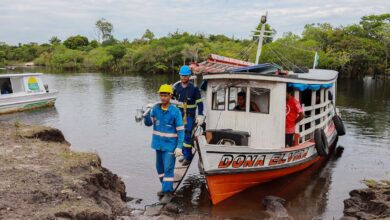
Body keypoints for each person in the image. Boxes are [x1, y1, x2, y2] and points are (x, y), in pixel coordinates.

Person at [144, 84, 184, 204]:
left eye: (165, 95)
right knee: (159, 168)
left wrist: (179, 146)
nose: (162, 98)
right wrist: (146, 114)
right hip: (158, 144)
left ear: (170, 96)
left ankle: (168, 192)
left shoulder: (175, 111)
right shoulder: (155, 109)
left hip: (170, 146)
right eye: (161, 95)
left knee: (168, 168)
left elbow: (181, 130)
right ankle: (165, 187)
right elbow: (148, 124)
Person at [173, 65, 204, 166]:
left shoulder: (194, 89)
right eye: (182, 75)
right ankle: (183, 154)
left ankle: (188, 157)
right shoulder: (177, 87)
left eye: (185, 76)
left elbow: (200, 103)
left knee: (187, 135)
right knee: (179, 135)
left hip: (189, 115)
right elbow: (171, 99)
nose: (183, 78)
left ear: (189, 76)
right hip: (179, 115)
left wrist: (200, 115)